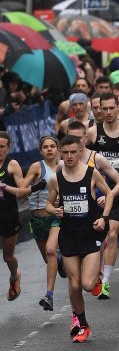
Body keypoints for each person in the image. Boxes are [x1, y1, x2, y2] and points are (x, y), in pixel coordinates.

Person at [46, 135, 119, 343]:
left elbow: (109, 194)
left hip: (90, 234)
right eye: (66, 152)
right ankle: (83, 325)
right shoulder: (56, 178)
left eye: (73, 152)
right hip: (68, 236)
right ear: (61, 153)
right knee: (74, 284)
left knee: (88, 285)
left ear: (80, 152)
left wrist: (104, 218)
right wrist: (55, 210)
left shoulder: (91, 173)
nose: (69, 156)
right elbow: (48, 204)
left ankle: (96, 279)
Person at [86, 92, 119, 299]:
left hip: (118, 190)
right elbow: (83, 162)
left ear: (118, 107)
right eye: (102, 108)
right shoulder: (92, 133)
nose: (106, 112)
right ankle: (95, 271)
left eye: (110, 108)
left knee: (113, 233)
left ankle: (105, 281)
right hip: (95, 192)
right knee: (97, 236)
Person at [25, 135, 66, 310]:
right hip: (37, 219)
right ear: (41, 150)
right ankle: (61, 260)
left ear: (58, 149)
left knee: (50, 251)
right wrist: (33, 188)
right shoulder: (36, 167)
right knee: (48, 258)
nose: (49, 149)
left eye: (52, 146)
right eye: (45, 147)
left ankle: (48, 296)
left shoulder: (64, 166)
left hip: (55, 217)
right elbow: (21, 189)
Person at [0, 132, 35, 302]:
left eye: (2, 147)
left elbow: (22, 191)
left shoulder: (12, 164)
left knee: (7, 256)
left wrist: (5, 187)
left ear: (8, 148)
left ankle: (15, 276)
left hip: (8, 216)